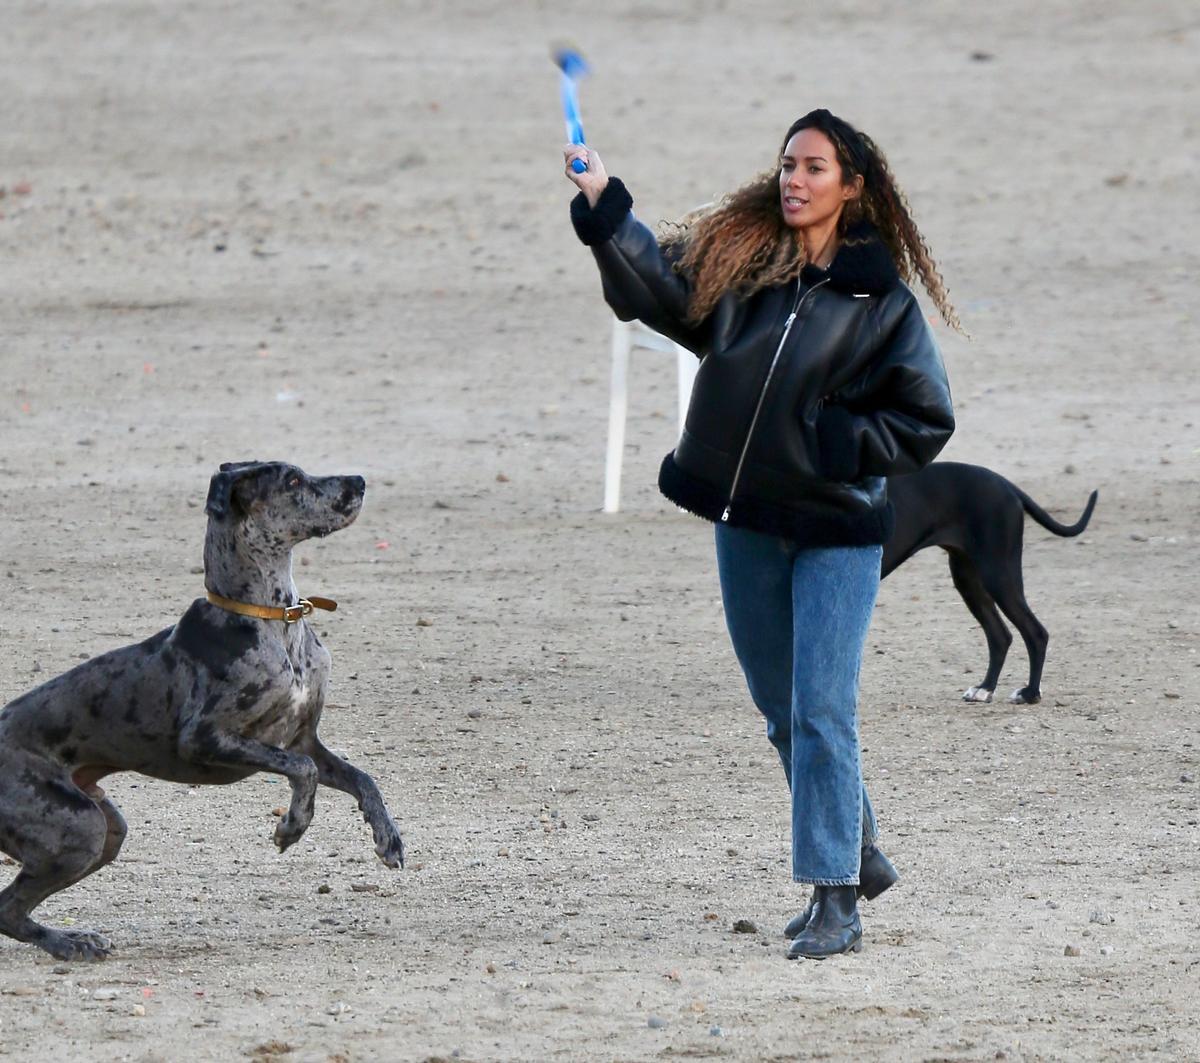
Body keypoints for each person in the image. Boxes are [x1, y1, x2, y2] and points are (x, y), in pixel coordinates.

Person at [563, 108, 957, 959]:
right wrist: (605, 206)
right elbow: (654, 292)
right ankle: (855, 848)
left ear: (851, 187)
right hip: (745, 521)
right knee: (781, 712)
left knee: (821, 709)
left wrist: (839, 441)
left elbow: (927, 417)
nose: (794, 178)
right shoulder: (746, 273)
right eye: (787, 163)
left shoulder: (881, 301)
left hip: (839, 527)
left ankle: (835, 895)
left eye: (814, 167)